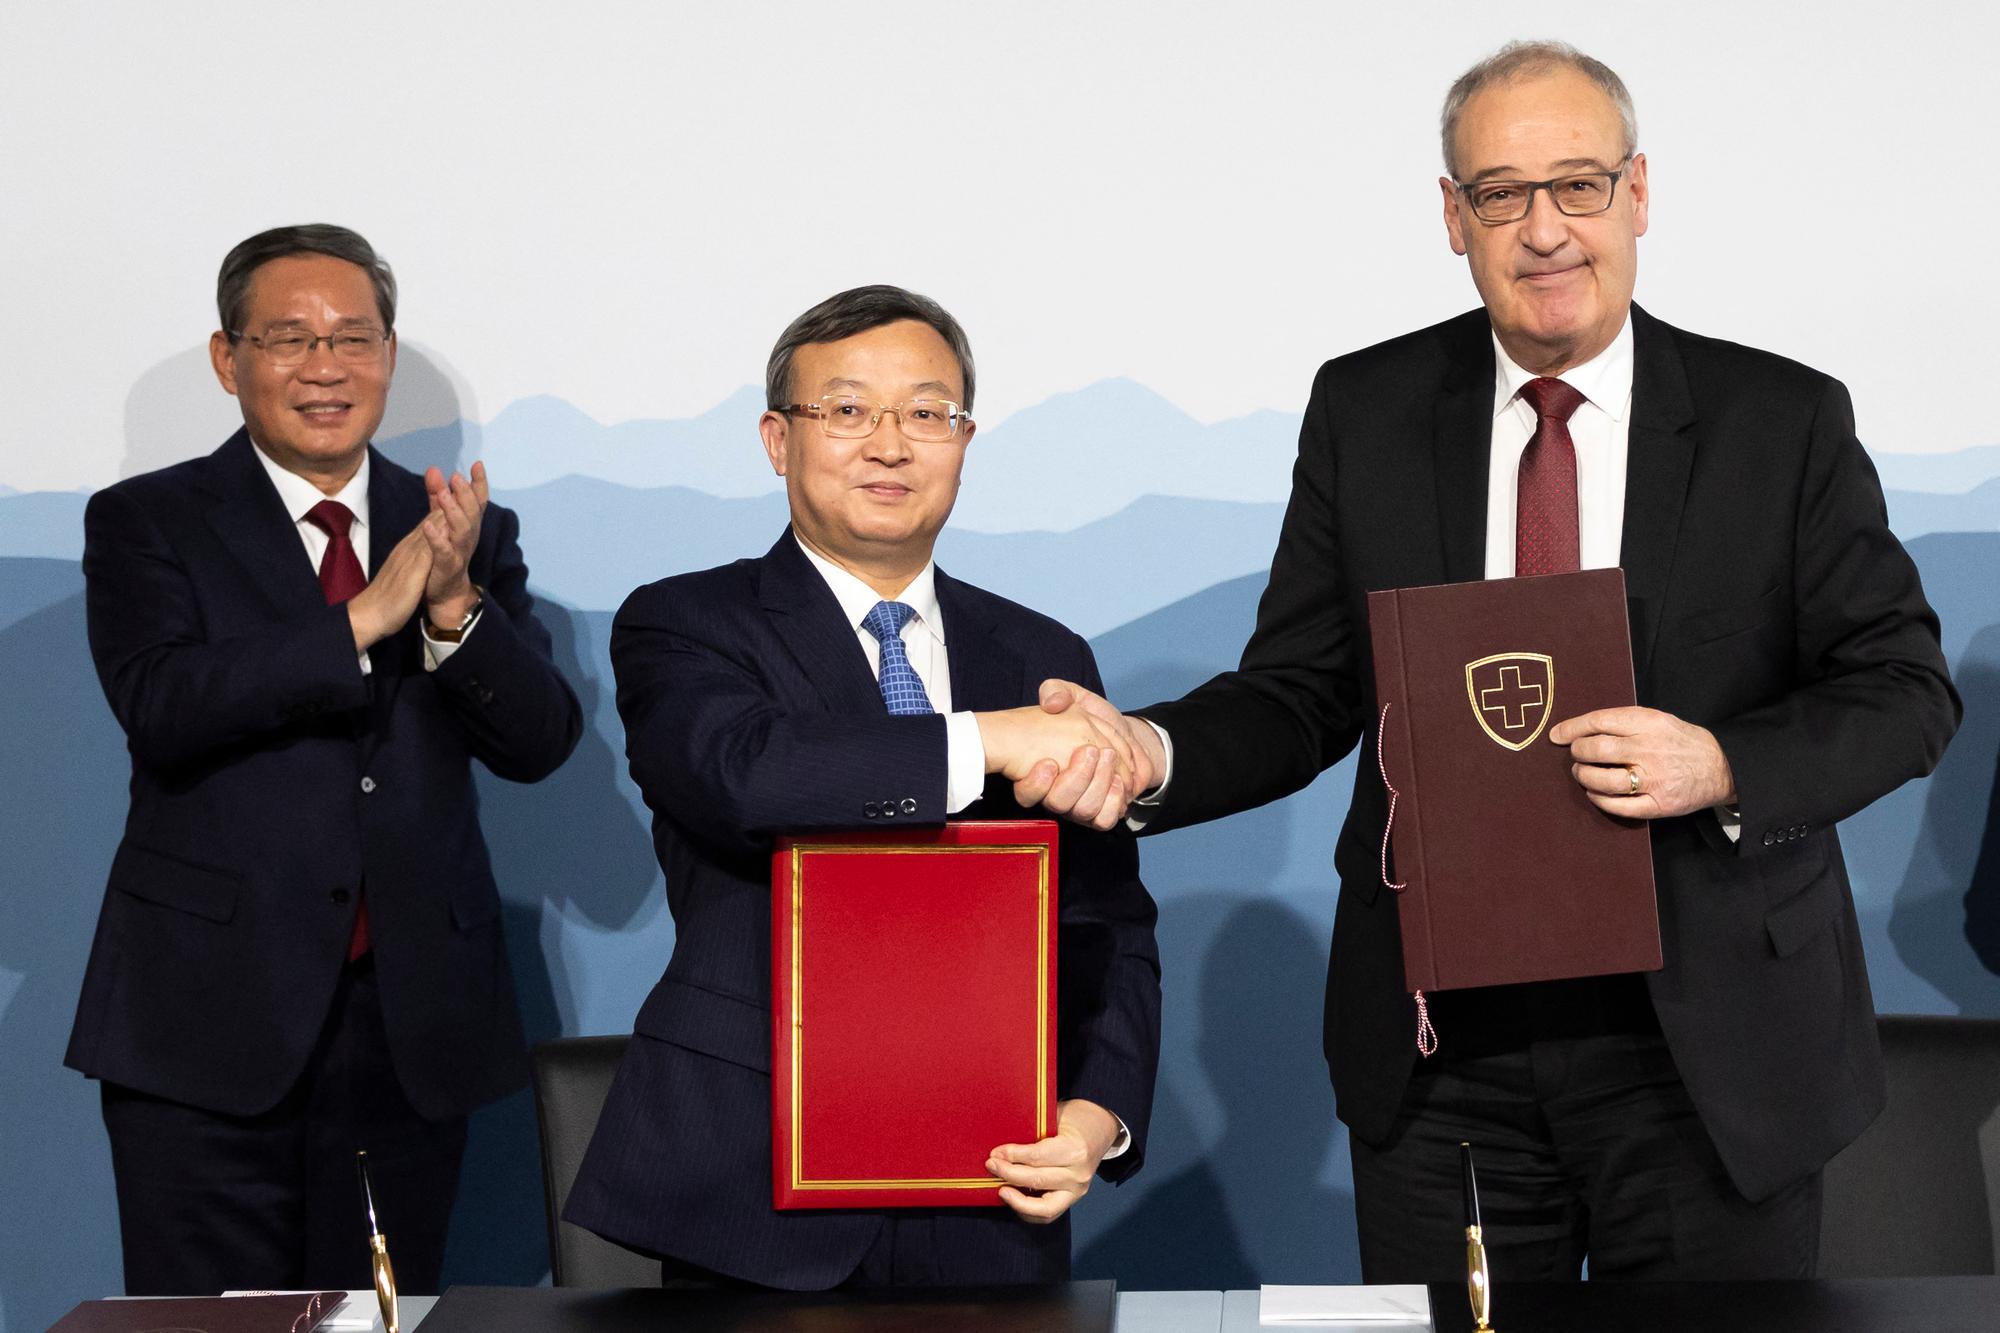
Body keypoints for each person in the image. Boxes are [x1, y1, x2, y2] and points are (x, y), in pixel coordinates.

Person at [1024, 41, 1959, 1280]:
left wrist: (1721, 762)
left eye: (1575, 186)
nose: (1543, 231)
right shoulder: (1365, 407)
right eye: (1499, 194)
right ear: (1450, 218)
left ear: (1637, 194)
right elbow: (1301, 689)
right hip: (1438, 1053)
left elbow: (1900, 692)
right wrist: (1148, 750)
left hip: (1705, 1048)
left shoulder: (1778, 419)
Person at [562, 285, 1161, 1289]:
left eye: (928, 413)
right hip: (753, 1195)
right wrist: (986, 741)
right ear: (775, 439)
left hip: (992, 1193)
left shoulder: (1040, 654)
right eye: (846, 411)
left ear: (964, 441)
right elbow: (747, 777)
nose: (890, 444)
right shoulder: (686, 624)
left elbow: (1104, 919)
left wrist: (1098, 1113)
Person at [67, 224, 582, 1294]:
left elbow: (538, 744)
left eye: (352, 337)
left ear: (387, 354)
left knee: (381, 1320)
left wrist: (449, 608)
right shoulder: (148, 520)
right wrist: (361, 619)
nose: (325, 366)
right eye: (288, 339)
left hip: (410, 1026)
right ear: (229, 359)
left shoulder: (458, 527)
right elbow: (162, 704)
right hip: (207, 1023)